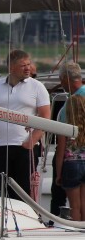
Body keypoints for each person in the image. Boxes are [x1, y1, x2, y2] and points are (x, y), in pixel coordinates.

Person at [0, 50, 50, 200]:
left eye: (29, 64)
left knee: (25, 193)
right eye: (23, 65)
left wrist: (30, 142)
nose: (28, 68)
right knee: (2, 193)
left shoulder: (37, 87)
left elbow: (45, 117)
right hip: (0, 148)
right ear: (11, 68)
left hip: (25, 147)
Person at [53, 62, 85, 214]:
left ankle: (77, 232)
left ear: (66, 78)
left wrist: (59, 174)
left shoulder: (71, 102)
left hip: (70, 163)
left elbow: (60, 148)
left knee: (75, 207)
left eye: (61, 79)